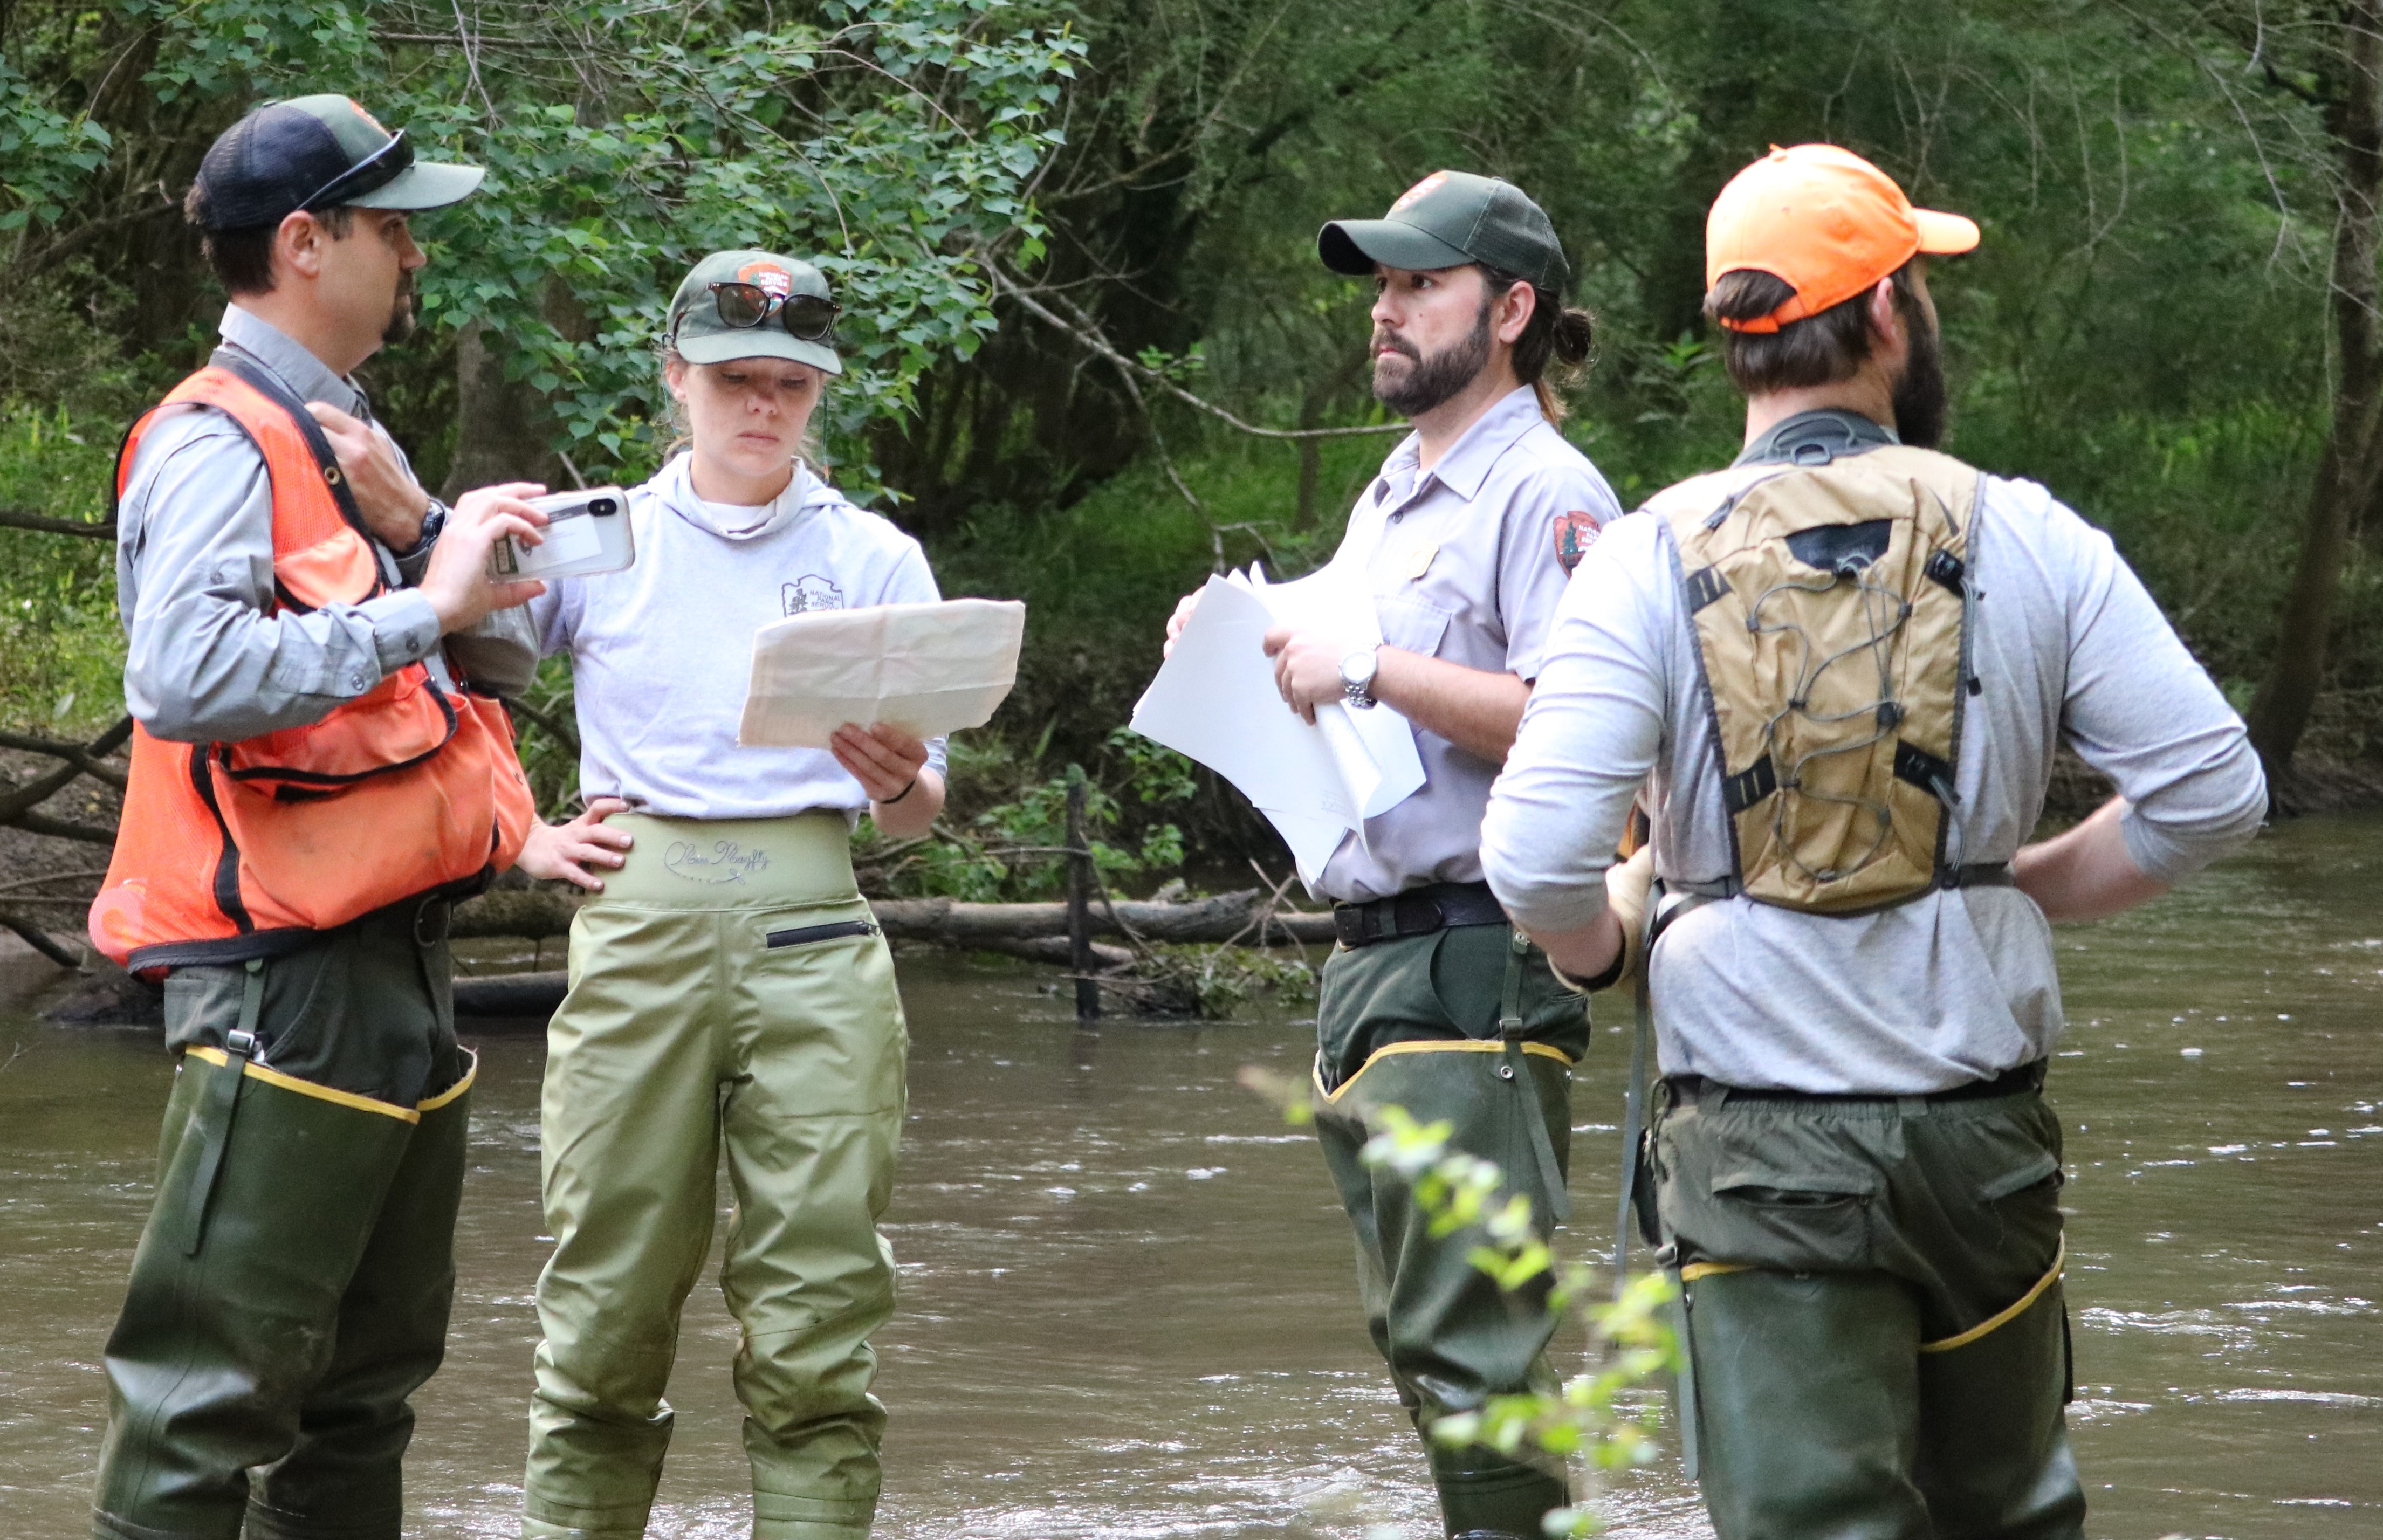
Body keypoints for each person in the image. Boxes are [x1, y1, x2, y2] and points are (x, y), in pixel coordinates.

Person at [1481, 143, 2269, 1539]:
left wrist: (1605, 948)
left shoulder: (1646, 556)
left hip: (1761, 1160)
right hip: (1981, 1151)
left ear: (1735, 339)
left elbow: (1535, 854)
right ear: (1891, 314)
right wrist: (2031, 883)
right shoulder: (2032, 537)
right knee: (2008, 1518)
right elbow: (2210, 790)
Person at [86, 93, 596, 1539]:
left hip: (395, 968)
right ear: (305, 244)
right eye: (390, 227)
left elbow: (466, 659)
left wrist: (431, 541)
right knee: (206, 1404)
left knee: (365, 1394)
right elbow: (182, 679)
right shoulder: (214, 442)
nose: (413, 258)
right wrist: (414, 607)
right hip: (279, 982)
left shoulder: (342, 438)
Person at [1164, 171, 1621, 1539]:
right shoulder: (1393, 490)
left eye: (1419, 283)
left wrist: (1366, 662)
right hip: (1377, 964)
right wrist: (1244, 637)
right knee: (1423, 1349)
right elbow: (1352, 680)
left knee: (1472, 1356)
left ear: (1510, 309)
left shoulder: (1547, 490)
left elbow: (1577, 713)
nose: (1385, 308)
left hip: (1481, 950)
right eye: (1381, 284)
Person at [510, 249, 946, 1540]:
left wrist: (901, 778)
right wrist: (516, 834)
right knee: (603, 1310)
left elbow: (919, 819)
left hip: (815, 926)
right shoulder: (595, 542)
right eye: (734, 379)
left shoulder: (874, 556)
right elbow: (445, 686)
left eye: (790, 385)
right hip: (638, 924)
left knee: (817, 1316)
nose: (762, 406)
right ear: (676, 378)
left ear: (819, 394)